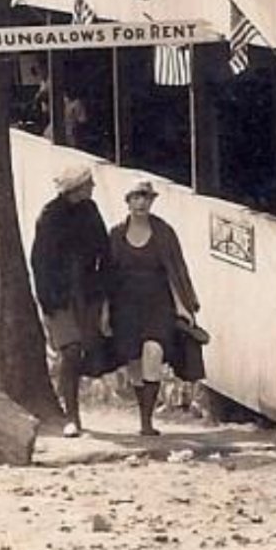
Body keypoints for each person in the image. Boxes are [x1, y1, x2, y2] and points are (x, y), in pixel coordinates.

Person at [106, 179, 200, 437]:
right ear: (128, 202)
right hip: (125, 307)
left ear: (152, 202)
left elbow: (175, 270)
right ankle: (142, 414)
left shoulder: (163, 232)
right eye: (136, 197)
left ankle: (147, 423)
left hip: (157, 304)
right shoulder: (116, 234)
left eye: (146, 198)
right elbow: (107, 275)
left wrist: (183, 306)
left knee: (154, 351)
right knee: (135, 360)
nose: (141, 203)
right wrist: (104, 311)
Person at [29, 163, 109, 437]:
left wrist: (101, 285)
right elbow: (40, 261)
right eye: (88, 184)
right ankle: (70, 416)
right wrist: (48, 300)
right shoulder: (51, 216)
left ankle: (73, 408)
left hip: (86, 291)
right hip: (59, 294)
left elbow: (103, 249)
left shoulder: (90, 211)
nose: (92, 188)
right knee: (71, 351)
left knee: (87, 350)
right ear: (76, 188)